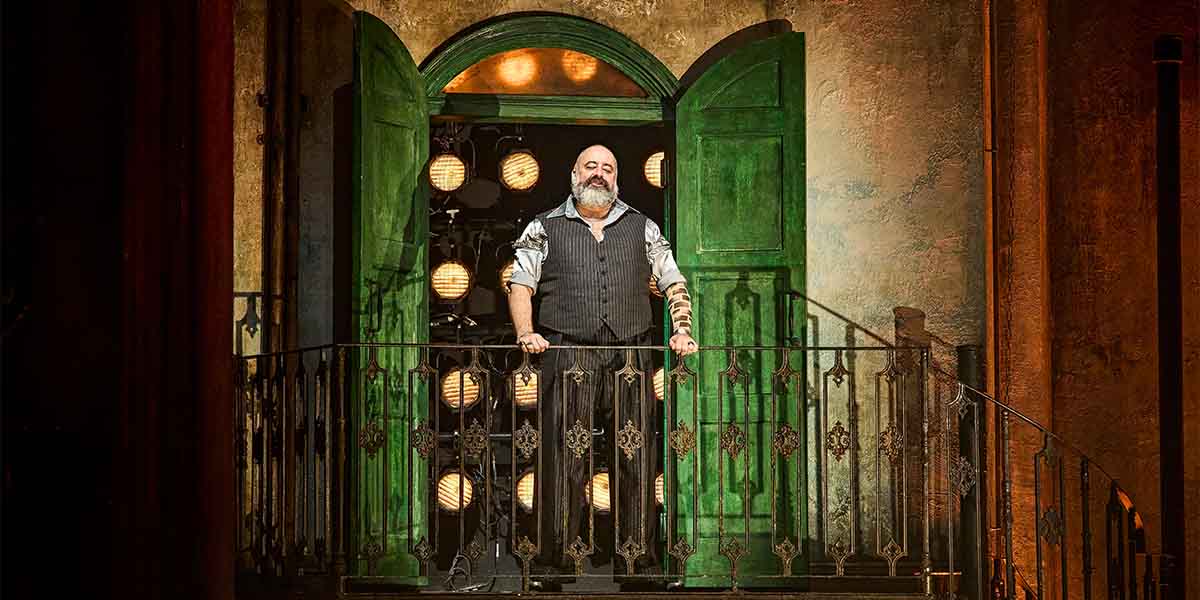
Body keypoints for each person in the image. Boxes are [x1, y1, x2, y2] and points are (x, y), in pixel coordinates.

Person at [506, 144, 696, 586]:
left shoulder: (642, 227)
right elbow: (520, 285)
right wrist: (525, 333)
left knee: (636, 455)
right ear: (574, 173)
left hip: (629, 353)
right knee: (563, 456)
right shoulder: (544, 226)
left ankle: (638, 563)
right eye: (590, 166)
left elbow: (673, 280)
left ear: (617, 178)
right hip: (567, 350)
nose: (599, 174)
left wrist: (682, 328)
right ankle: (553, 563)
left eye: (608, 167)